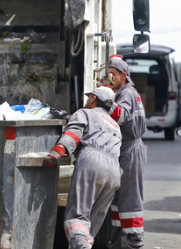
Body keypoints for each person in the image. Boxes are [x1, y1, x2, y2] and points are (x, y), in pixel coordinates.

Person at [44, 87, 122, 249]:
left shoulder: (85, 113)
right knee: (91, 225)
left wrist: (57, 153)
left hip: (92, 162)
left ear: (94, 98)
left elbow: (73, 134)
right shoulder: (115, 125)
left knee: (77, 218)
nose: (87, 100)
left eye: (89, 97)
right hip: (114, 171)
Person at [107, 56, 147, 249]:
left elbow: (120, 116)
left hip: (131, 150)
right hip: (126, 149)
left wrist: (104, 99)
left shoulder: (126, 94)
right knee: (118, 198)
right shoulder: (126, 93)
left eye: (113, 75)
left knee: (130, 198)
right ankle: (117, 241)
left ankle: (133, 242)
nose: (110, 78)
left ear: (124, 76)